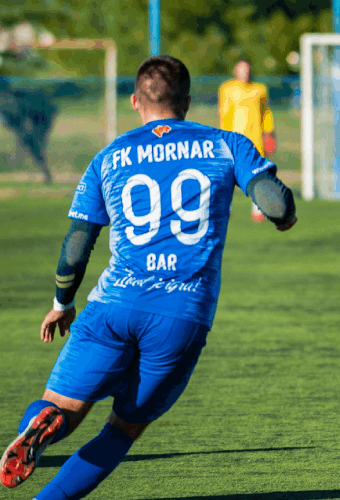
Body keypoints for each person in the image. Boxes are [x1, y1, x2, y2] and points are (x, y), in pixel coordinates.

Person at [1, 55, 297, 499]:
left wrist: (63, 302)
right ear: (188, 102)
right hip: (180, 314)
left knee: (63, 408)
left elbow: (78, 242)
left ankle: (43, 426)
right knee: (122, 429)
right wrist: (284, 217)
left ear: (136, 101)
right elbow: (276, 205)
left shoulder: (109, 157)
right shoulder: (225, 144)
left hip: (112, 305)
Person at [219, 57, 276, 222]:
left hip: (255, 138)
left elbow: (266, 113)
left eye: (247, 69)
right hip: (234, 139)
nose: (245, 73)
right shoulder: (227, 89)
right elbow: (224, 114)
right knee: (229, 175)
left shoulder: (259, 89)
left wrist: (269, 133)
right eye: (241, 69)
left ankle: (258, 208)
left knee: (257, 174)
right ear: (235, 71)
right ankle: (226, 208)